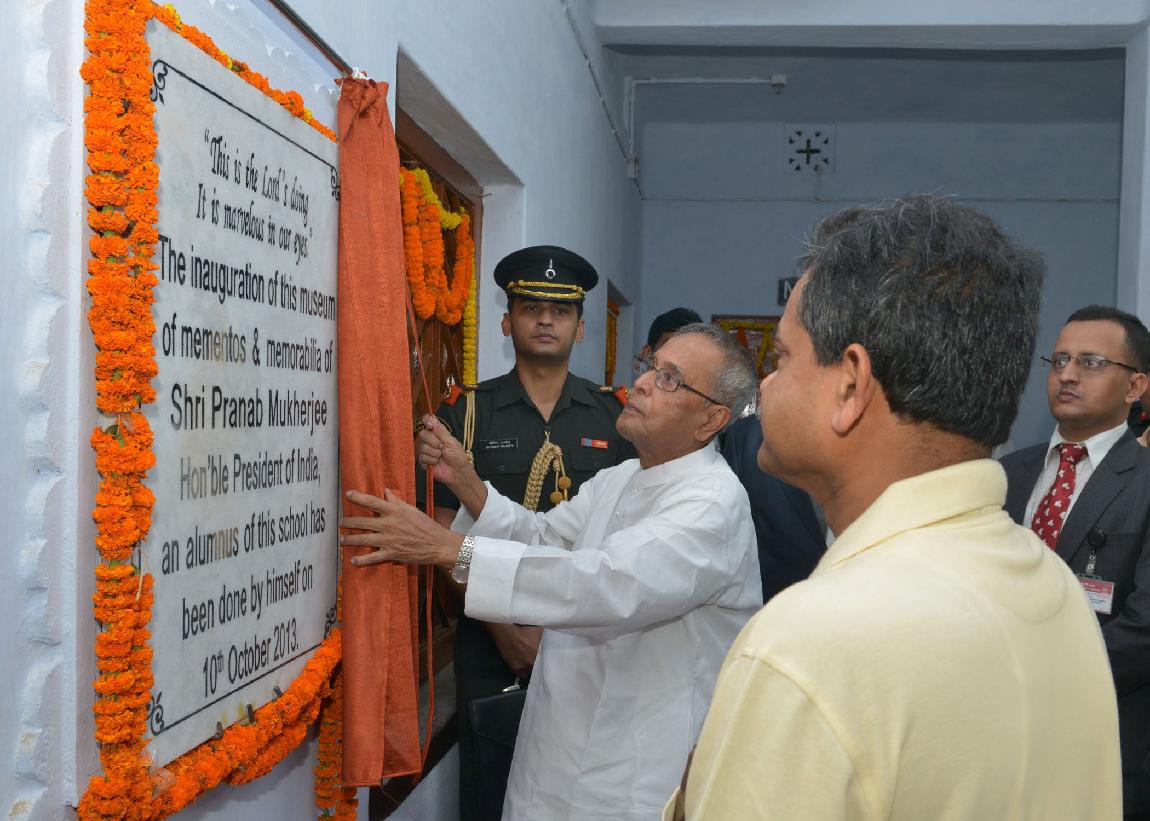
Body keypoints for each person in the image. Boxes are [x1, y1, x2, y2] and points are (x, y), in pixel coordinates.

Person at [671, 196, 1122, 820]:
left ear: (850, 384)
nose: (766, 385)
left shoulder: (810, 643)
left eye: (782, 358)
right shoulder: (1052, 583)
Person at [343, 322, 762, 821]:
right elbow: (545, 539)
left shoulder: (712, 504)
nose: (643, 382)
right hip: (550, 758)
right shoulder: (623, 476)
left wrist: (448, 549)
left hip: (634, 776)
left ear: (711, 419)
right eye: (650, 366)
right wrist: (467, 481)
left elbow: (602, 583)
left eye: (670, 379)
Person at [415, 244, 635, 821]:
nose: (545, 320)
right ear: (506, 320)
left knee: (584, 795)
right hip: (490, 643)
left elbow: (626, 533)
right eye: (530, 307)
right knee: (492, 795)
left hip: (588, 640)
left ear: (580, 328)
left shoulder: (616, 417)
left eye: (560, 311)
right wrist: (508, 633)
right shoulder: (466, 413)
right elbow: (441, 531)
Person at [1001, 305, 1150, 817]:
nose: (1066, 374)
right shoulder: (1006, 474)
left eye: (1090, 363)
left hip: (1104, 741)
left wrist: (1042, 681)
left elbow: (1144, 628)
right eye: (1060, 360)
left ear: (1135, 387)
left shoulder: (1145, 482)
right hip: (997, 736)